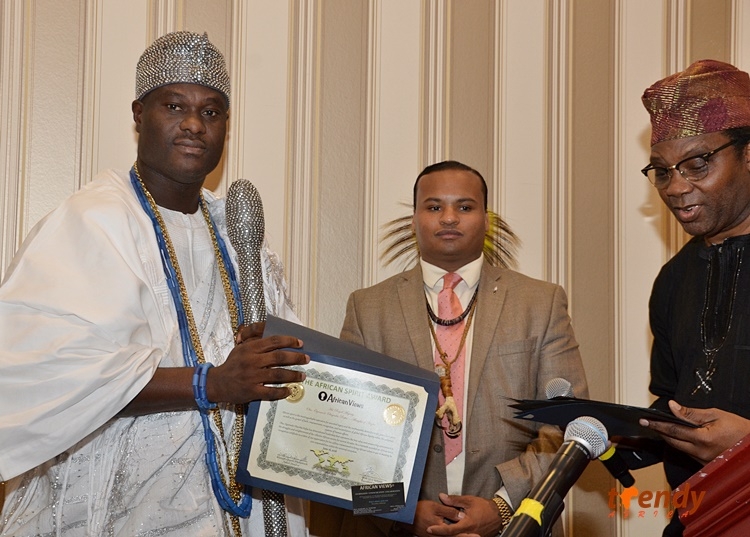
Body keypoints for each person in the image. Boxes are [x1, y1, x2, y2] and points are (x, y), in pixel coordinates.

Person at [0, 31, 310, 536]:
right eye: (174, 106)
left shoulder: (241, 237)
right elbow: (48, 373)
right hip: (113, 506)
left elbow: (293, 371)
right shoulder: (93, 222)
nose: (194, 124)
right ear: (139, 114)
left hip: (234, 510)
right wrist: (212, 383)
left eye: (211, 112)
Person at [312, 161, 588, 537]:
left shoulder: (540, 302)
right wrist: (402, 510)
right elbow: (345, 431)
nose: (449, 217)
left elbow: (567, 424)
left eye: (465, 206)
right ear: (414, 220)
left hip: (515, 526)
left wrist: (503, 507)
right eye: (434, 206)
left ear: (486, 220)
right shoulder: (367, 307)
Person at [636, 59, 750, 536]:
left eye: (697, 164)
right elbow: (672, 399)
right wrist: (621, 433)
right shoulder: (672, 279)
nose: (677, 188)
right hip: (695, 519)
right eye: (662, 171)